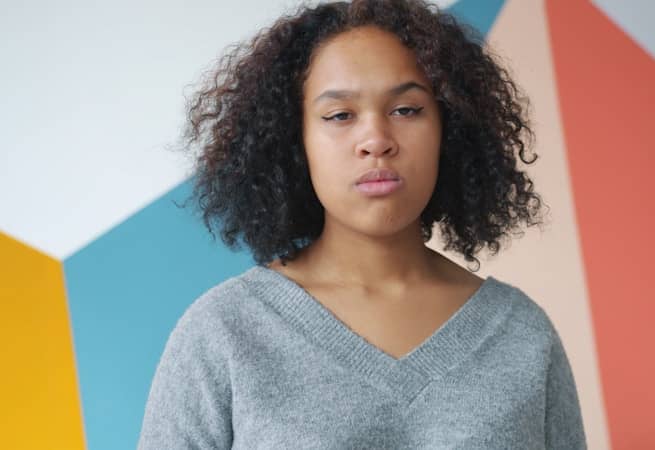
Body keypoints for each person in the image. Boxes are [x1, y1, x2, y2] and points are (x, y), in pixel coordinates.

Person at [137, 0, 587, 448]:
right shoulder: (223, 333)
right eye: (339, 116)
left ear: (448, 129)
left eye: (406, 110)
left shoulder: (524, 338)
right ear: (297, 142)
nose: (376, 140)